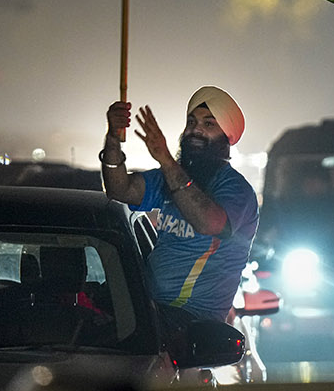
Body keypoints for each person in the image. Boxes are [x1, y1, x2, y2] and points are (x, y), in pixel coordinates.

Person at [99, 86, 259, 346]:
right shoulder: (169, 178)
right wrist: (113, 138)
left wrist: (165, 158)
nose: (196, 130)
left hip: (192, 326)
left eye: (209, 124)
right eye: (191, 122)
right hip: (148, 312)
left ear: (226, 137)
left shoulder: (236, 190)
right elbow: (120, 189)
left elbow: (209, 222)